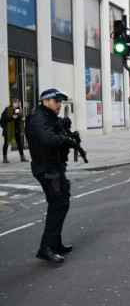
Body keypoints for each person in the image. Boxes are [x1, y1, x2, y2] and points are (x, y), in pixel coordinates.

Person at [25, 89, 77, 263]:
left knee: (60, 203)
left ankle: (55, 243)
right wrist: (67, 141)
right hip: (47, 168)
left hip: (54, 167)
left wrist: (65, 127)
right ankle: (46, 247)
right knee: (59, 203)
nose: (59, 105)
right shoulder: (38, 119)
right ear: (45, 101)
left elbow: (57, 130)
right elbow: (49, 139)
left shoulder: (48, 117)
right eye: (56, 102)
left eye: (60, 102)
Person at [2, 98, 28, 163]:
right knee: (6, 143)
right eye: (15, 102)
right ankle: (5, 158)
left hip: (17, 129)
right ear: (12, 103)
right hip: (8, 130)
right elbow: (3, 120)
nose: (17, 104)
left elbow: (20, 119)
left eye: (18, 102)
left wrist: (22, 120)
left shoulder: (19, 110)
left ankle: (22, 157)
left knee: (19, 143)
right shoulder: (7, 110)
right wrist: (12, 118)